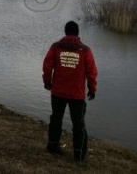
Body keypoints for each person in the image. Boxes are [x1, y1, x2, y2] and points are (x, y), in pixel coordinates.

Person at [42, 20, 98, 164]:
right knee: (78, 125)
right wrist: (92, 89)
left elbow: (47, 66)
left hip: (58, 92)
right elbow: (91, 72)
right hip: (77, 95)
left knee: (56, 119)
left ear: (66, 32)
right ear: (77, 33)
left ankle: (53, 146)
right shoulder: (85, 50)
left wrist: (47, 83)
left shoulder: (56, 47)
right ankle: (78, 156)